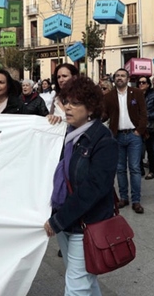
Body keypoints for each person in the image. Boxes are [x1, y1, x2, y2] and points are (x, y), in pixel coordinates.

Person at [44, 76, 117, 296]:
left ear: (91, 109)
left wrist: (58, 220)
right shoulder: (64, 134)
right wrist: (49, 125)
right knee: (85, 279)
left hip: (86, 225)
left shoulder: (104, 141)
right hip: (67, 223)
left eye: (75, 103)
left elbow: (94, 188)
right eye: (66, 101)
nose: (67, 107)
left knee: (76, 288)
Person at [101, 68, 147, 214]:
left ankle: (136, 200)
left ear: (128, 79)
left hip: (134, 136)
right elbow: (104, 115)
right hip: (117, 136)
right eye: (117, 76)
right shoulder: (108, 96)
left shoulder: (137, 93)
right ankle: (123, 198)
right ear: (114, 79)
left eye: (123, 76)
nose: (120, 78)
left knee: (134, 168)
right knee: (120, 169)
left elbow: (144, 114)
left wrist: (139, 130)